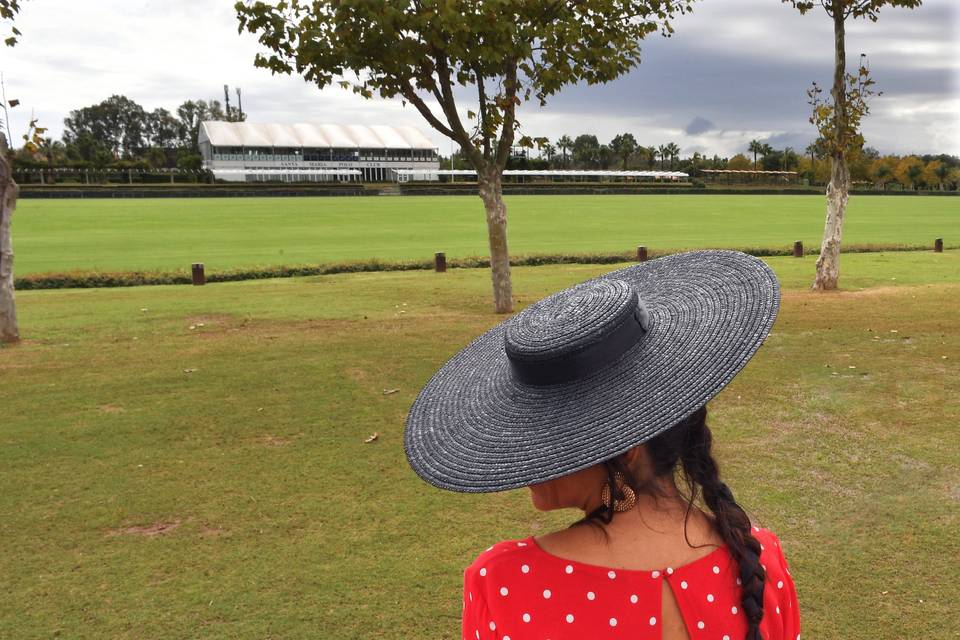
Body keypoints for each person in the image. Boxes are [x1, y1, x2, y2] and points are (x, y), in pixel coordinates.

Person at [403, 250, 800, 639]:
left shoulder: (504, 584)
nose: (528, 457)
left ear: (627, 448)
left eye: (552, 434)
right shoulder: (758, 560)